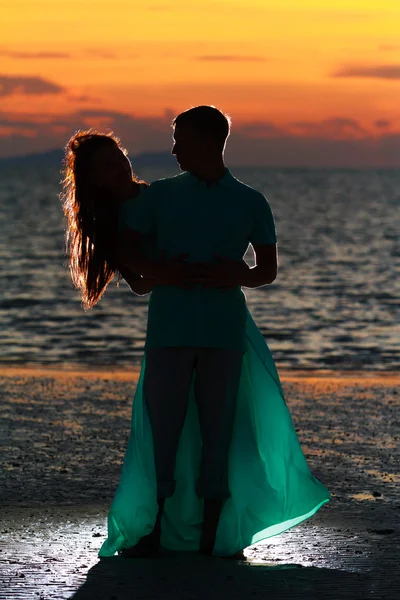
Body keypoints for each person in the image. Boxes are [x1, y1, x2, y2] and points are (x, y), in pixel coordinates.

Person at [61, 118, 330, 561]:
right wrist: (170, 273)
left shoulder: (247, 201)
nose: (171, 152)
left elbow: (266, 270)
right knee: (165, 434)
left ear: (209, 141)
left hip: (223, 331)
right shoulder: (157, 198)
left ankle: (212, 539)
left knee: (217, 433)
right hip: (169, 330)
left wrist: (234, 274)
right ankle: (156, 531)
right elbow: (131, 256)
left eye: (178, 143)